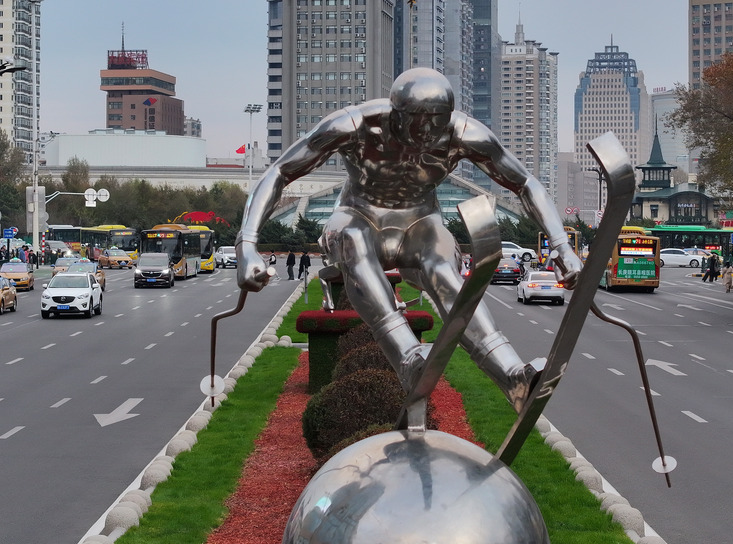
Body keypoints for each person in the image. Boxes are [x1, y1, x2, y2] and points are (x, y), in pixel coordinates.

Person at [236, 68, 581, 410]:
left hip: (420, 223)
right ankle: (407, 356)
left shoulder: (462, 133)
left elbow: (525, 183)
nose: (427, 132)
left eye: (436, 122)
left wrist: (561, 247)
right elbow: (281, 171)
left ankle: (512, 377)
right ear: (396, 113)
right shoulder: (356, 125)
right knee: (353, 241)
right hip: (360, 215)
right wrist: (247, 245)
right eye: (417, 121)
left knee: (444, 271)